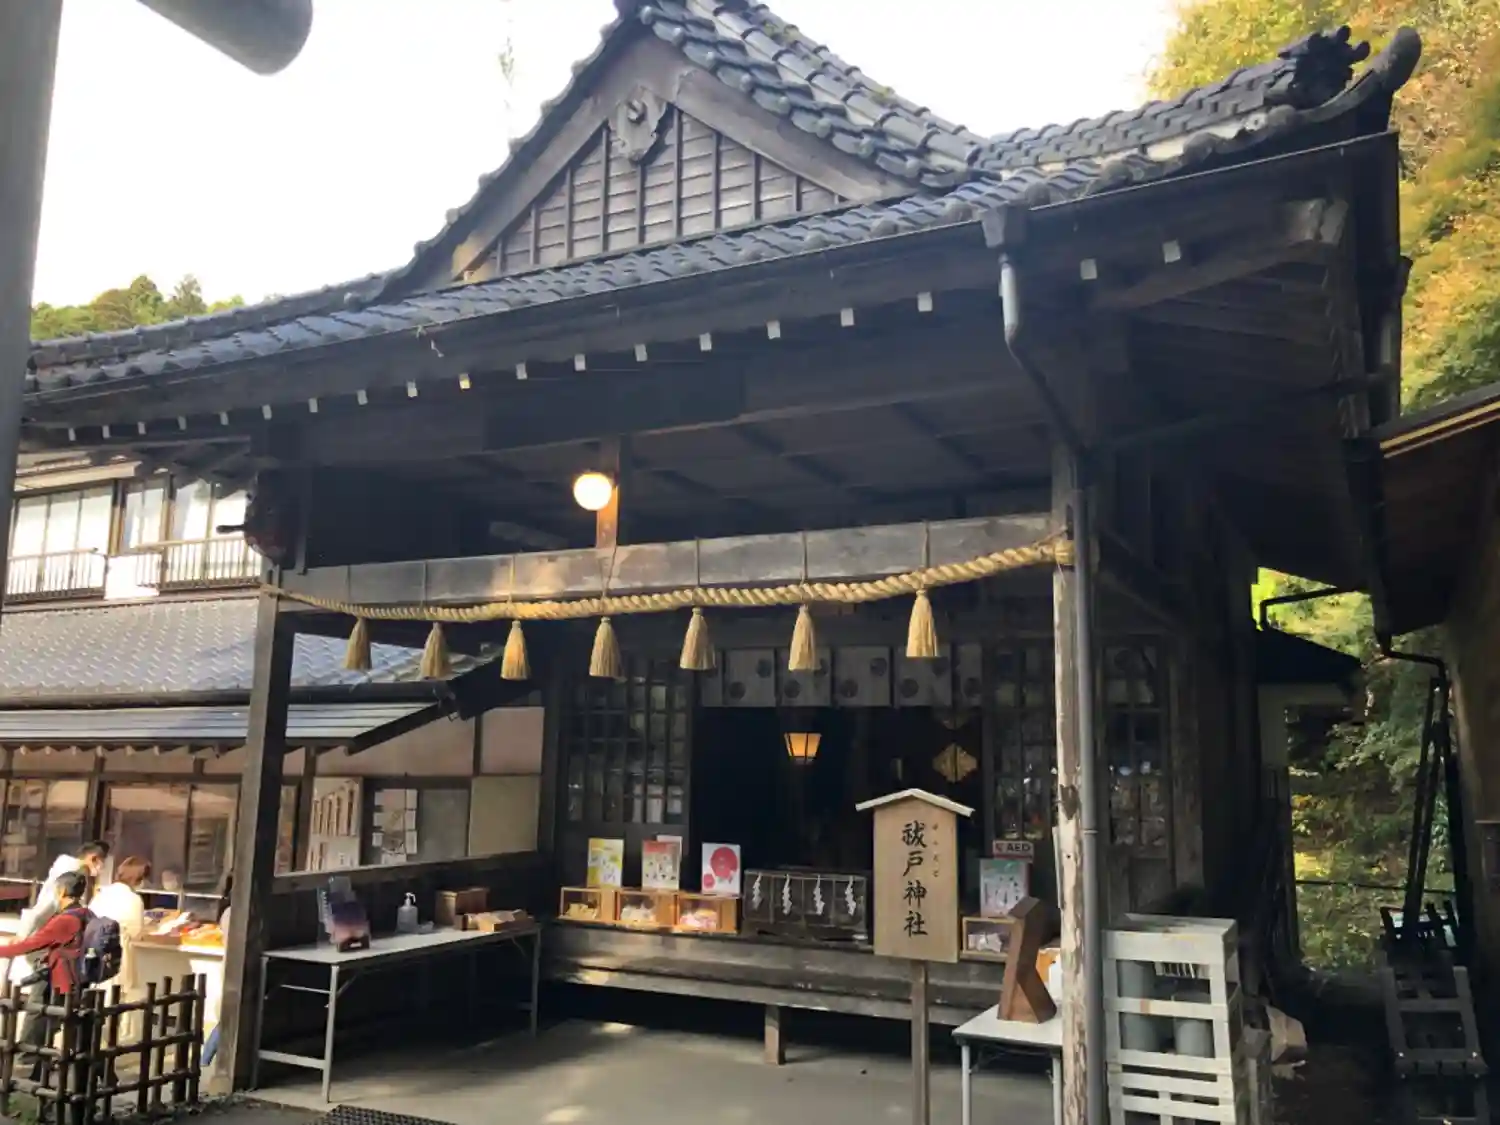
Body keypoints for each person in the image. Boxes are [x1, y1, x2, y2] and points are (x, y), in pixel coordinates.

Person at [0, 871, 95, 1105]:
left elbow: (32, 943)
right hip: (77, 981)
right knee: (69, 1031)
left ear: (61, 891)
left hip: (58, 982)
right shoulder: (86, 914)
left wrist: (3, 950)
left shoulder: (65, 920)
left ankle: (31, 1081)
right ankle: (88, 1075)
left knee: (39, 1027)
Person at [89, 856, 150, 1005]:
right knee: (118, 999)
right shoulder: (133, 899)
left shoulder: (101, 894)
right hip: (119, 953)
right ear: (138, 878)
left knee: (100, 997)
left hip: (96, 952)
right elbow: (136, 932)